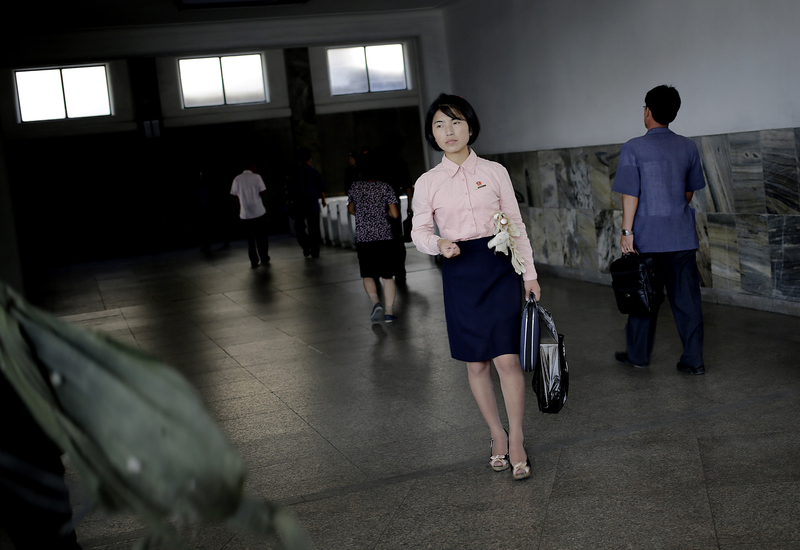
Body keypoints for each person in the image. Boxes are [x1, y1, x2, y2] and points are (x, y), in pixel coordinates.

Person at [411, 93, 541, 480]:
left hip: (499, 267)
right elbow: (418, 231)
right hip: (459, 270)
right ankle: (495, 434)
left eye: (455, 123)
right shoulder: (427, 182)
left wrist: (529, 273)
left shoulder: (495, 171)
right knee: (477, 362)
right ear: (432, 134)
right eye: (439, 125)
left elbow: (515, 224)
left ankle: (516, 437)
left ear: (470, 126)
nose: (448, 131)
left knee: (506, 357)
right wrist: (438, 244)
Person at [612, 85, 706, 375]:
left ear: (648, 112)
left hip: (648, 239)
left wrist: (627, 232)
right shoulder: (688, 146)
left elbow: (631, 194)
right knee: (687, 302)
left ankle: (638, 355)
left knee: (644, 297)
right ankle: (694, 361)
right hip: (681, 237)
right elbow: (689, 192)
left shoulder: (633, 147)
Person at [347, 156, 401, 323]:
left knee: (368, 275)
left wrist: (364, 215)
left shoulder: (355, 187)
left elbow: (350, 209)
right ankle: (389, 313)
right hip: (384, 237)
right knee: (387, 276)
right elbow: (395, 214)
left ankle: (376, 302)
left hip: (364, 238)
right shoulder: (385, 187)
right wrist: (383, 214)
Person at [286, 148, 327, 258]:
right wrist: (323, 200)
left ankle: (306, 246)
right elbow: (321, 189)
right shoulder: (314, 172)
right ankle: (315, 251)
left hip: (299, 205)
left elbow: (290, 189)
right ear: (310, 159)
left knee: (299, 228)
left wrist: (289, 202)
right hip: (312, 204)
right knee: (314, 228)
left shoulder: (294, 173)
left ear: (299, 160)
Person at [230, 163, 270, 268]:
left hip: (245, 214)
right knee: (261, 237)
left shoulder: (237, 179)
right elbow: (263, 192)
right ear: (253, 166)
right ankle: (264, 257)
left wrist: (240, 209)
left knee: (250, 239)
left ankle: (254, 260)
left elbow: (234, 196)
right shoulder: (257, 177)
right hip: (258, 212)